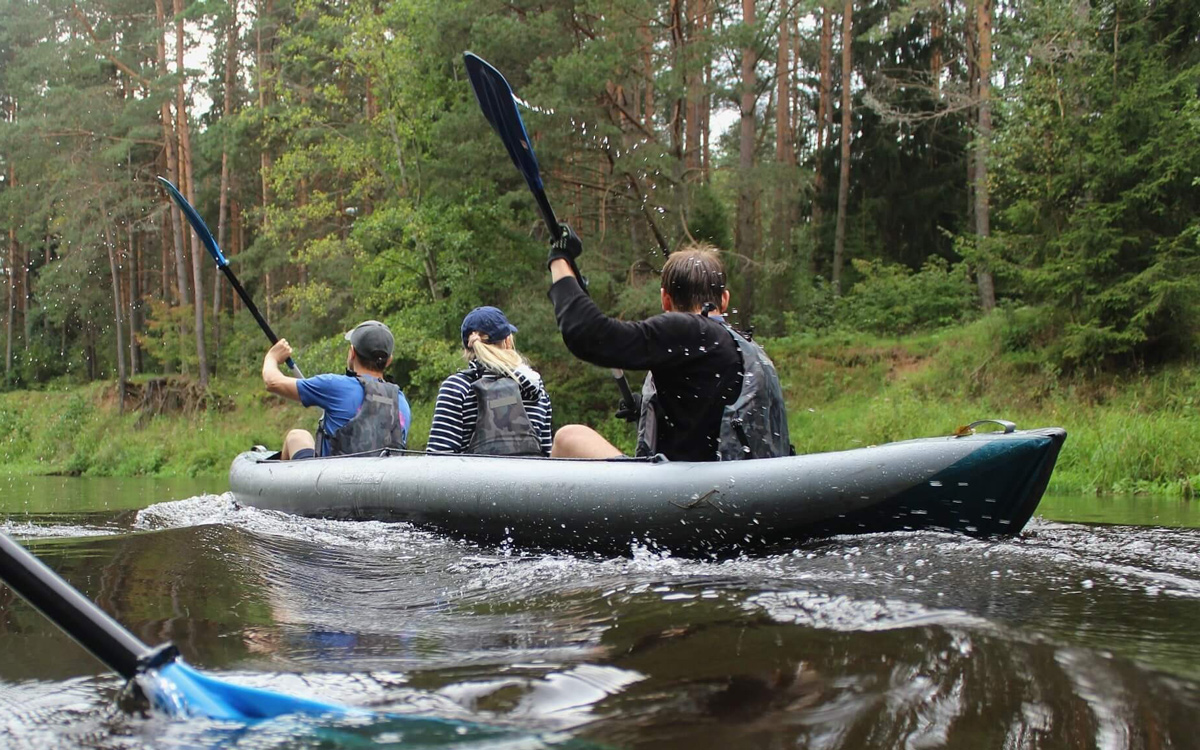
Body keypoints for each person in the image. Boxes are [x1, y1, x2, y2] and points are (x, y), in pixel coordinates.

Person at [546, 227, 790, 462]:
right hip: (732, 489)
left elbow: (588, 335)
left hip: (687, 497)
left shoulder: (692, 331)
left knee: (569, 437)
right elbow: (707, 414)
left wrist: (560, 259)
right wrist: (649, 407)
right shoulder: (743, 349)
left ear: (666, 298)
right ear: (724, 299)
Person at [262, 320, 411, 459]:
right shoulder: (401, 401)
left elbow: (272, 382)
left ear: (352, 352)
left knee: (297, 436)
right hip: (380, 485)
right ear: (389, 361)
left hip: (330, 485)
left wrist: (272, 357)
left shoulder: (335, 386)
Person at [427, 306, 553, 456]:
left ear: (467, 349)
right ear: (507, 341)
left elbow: (439, 458)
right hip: (528, 479)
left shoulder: (457, 387)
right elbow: (547, 456)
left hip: (476, 479)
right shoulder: (537, 388)